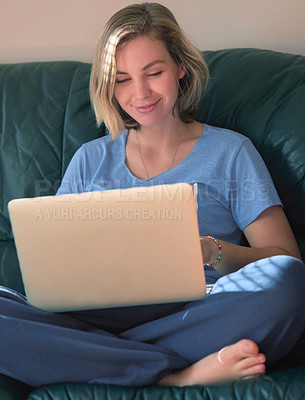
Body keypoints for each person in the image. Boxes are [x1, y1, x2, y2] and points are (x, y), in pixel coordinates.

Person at [1, 2, 304, 388]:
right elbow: (54, 268)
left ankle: (92, 358)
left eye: (153, 73)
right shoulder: (90, 159)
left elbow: (284, 258)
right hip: (97, 316)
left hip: (195, 314)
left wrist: (211, 250)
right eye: (122, 78)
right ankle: (176, 375)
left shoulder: (231, 152)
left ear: (181, 67)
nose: (139, 93)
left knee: (287, 281)